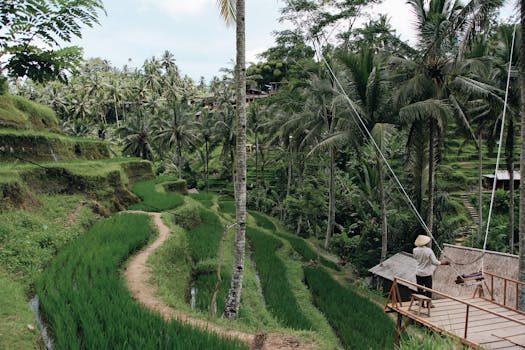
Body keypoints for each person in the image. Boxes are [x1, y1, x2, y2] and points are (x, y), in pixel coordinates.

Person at [413, 235, 449, 305]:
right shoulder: (428, 251)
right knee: (428, 289)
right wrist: (443, 262)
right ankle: (429, 304)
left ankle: (421, 303)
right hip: (427, 273)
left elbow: (416, 258)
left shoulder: (415, 250)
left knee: (420, 289)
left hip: (419, 272)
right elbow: (434, 262)